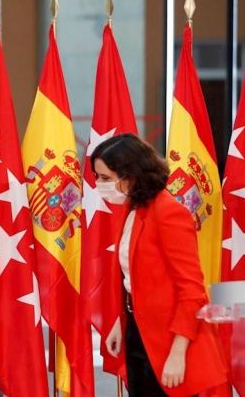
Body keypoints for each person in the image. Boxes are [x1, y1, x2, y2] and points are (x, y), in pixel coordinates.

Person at [92, 133, 227, 397]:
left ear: (130, 175)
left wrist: (178, 352)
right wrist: (122, 323)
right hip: (137, 330)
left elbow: (192, 291)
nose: (99, 185)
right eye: (97, 177)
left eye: (105, 178)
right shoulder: (132, 208)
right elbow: (133, 276)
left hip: (171, 338)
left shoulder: (168, 211)